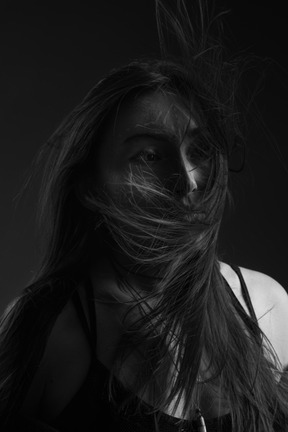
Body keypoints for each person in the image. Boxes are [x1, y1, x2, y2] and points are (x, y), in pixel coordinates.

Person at [1, 1, 288, 431]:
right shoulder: (51, 328)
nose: (188, 180)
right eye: (150, 156)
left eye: (199, 150)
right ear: (89, 184)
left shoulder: (268, 306)